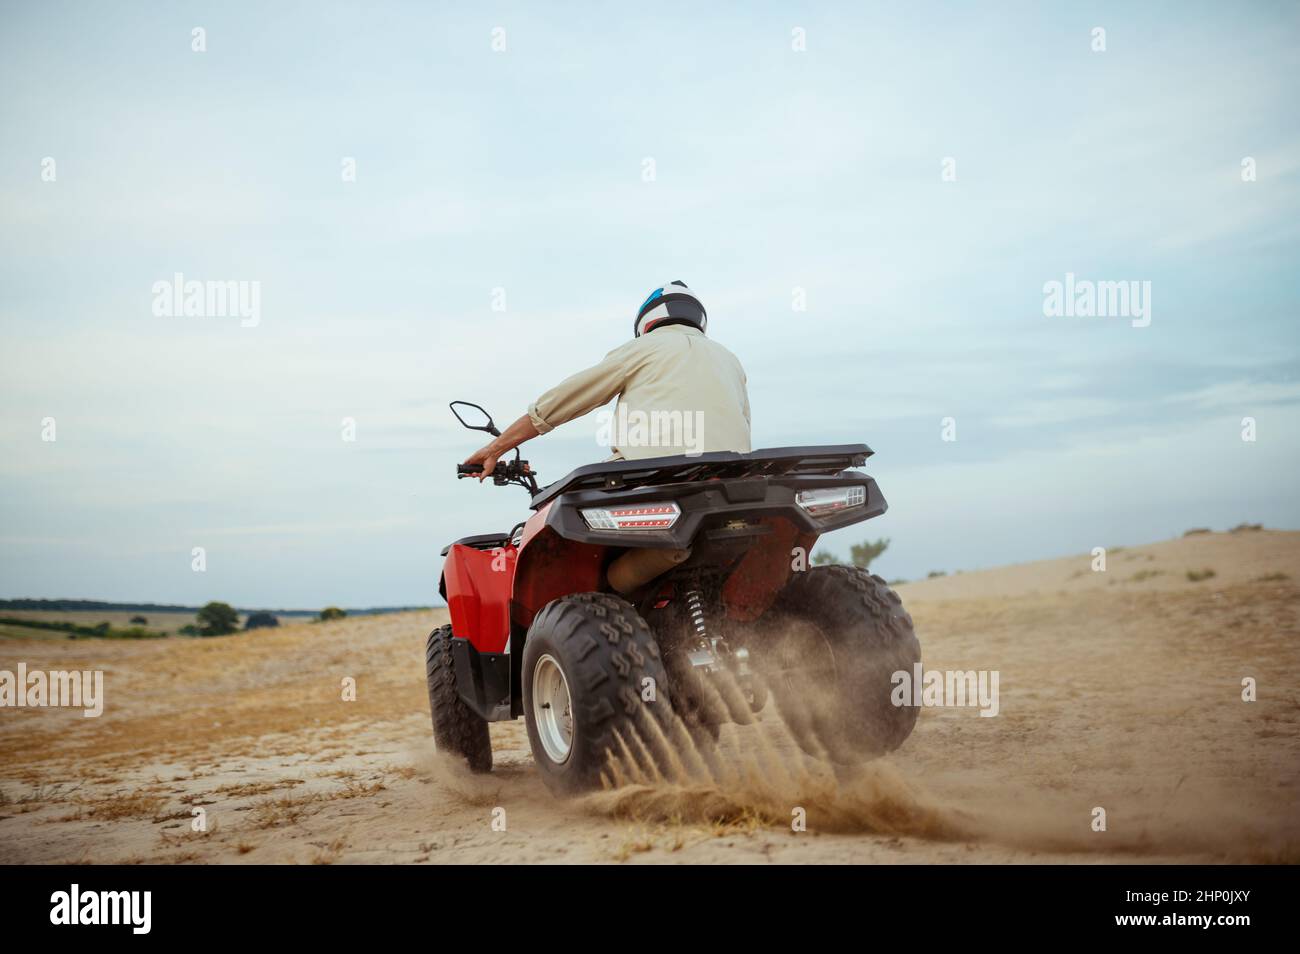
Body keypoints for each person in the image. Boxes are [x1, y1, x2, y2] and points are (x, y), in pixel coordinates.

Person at [463, 281, 751, 479]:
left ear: (647, 322)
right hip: (732, 481)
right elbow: (744, 425)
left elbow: (563, 401)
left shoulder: (641, 348)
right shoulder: (731, 360)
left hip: (653, 479)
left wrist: (495, 448)